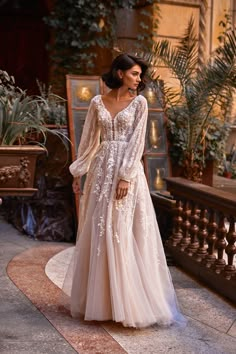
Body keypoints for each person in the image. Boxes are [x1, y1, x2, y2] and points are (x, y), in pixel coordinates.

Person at [63, 53, 186, 328]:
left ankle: (128, 304)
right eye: (134, 73)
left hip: (125, 175)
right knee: (100, 229)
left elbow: (137, 141)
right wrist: (78, 171)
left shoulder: (140, 103)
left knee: (120, 230)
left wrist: (126, 177)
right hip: (100, 173)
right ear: (120, 73)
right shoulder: (97, 102)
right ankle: (103, 302)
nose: (139, 79)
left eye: (140, 75)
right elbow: (89, 141)